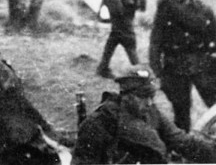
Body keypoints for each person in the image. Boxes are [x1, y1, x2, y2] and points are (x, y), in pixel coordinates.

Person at [72, 65, 216, 164]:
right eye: (142, 96)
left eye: (151, 97)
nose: (148, 103)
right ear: (126, 95)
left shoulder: (152, 113)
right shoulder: (99, 122)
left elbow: (182, 141)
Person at [149, 0, 216, 131]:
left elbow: (213, 38)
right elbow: (155, 41)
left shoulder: (203, 10)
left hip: (201, 64)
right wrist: (157, 70)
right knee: (181, 110)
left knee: (213, 104)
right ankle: (184, 146)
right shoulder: (165, 11)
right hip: (175, 66)